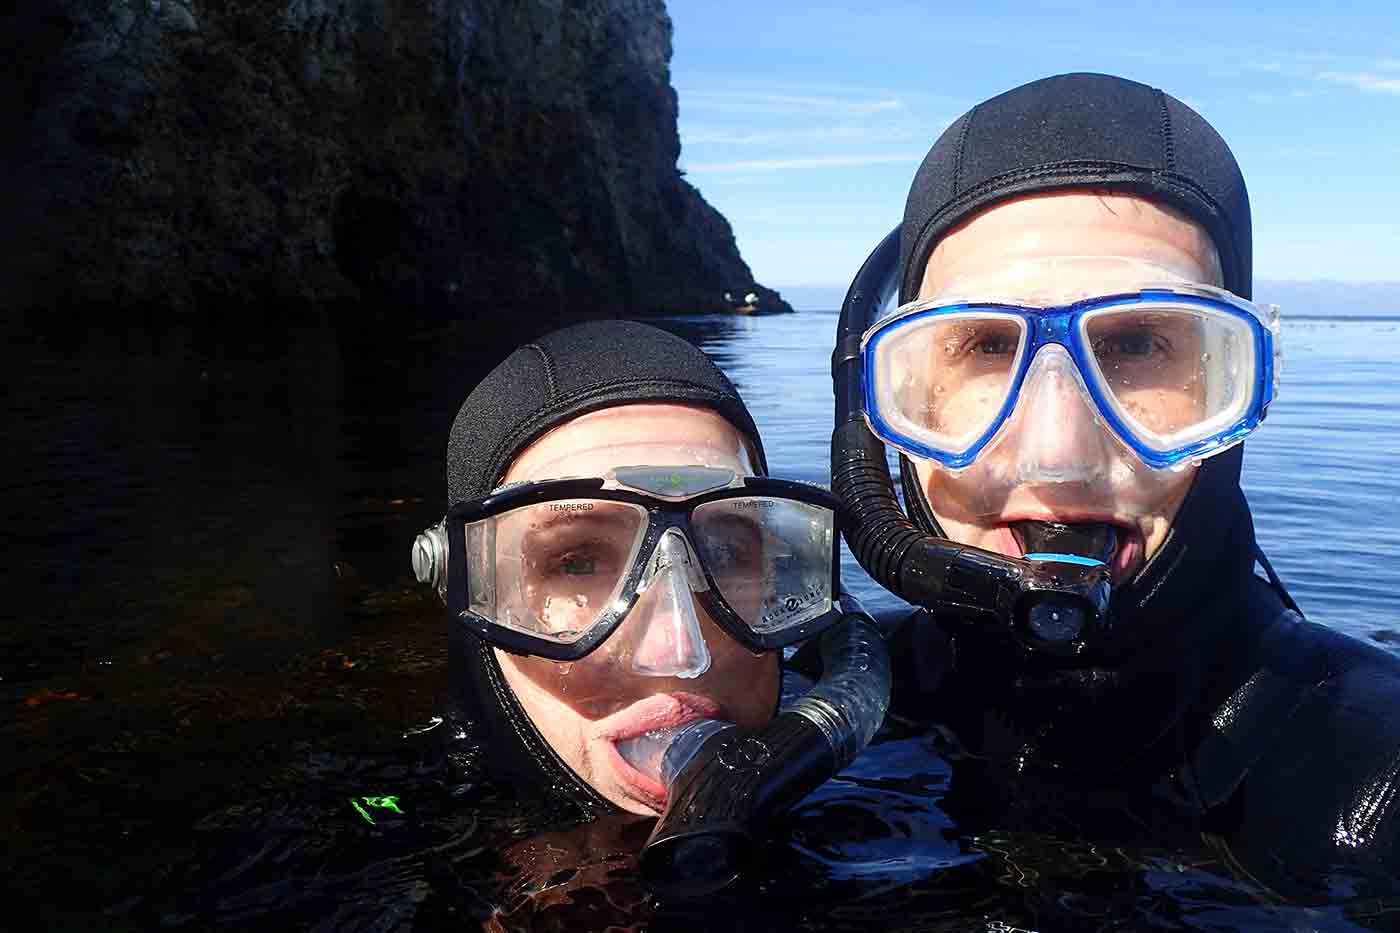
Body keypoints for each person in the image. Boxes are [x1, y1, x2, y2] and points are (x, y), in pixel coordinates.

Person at [830, 72, 1400, 894]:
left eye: (1138, 345)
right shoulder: (821, 703)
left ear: (1235, 386)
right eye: (985, 348)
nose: (1057, 455)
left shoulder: (1375, 766)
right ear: (879, 411)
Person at [416, 319, 877, 827]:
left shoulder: (900, 766)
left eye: (726, 555)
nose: (679, 654)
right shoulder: (385, 835)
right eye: (579, 564)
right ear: (470, 587)